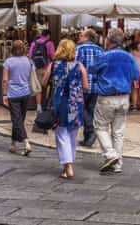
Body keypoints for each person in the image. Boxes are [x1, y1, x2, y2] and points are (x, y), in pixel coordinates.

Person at [88, 28, 139, 174]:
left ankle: (110, 154)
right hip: (124, 97)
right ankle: (117, 165)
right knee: (118, 132)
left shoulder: (105, 56)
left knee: (100, 127)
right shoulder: (129, 57)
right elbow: (136, 75)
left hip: (107, 97)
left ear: (109, 40)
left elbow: (91, 69)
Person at [49, 39, 88, 179]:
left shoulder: (53, 65)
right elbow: (86, 86)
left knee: (61, 134)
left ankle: (68, 166)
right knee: (72, 135)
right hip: (76, 104)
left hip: (59, 103)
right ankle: (68, 166)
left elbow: (44, 82)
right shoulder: (80, 66)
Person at [2, 40, 35, 156]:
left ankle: (26, 142)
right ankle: (13, 144)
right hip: (26, 93)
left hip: (13, 94)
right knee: (19, 120)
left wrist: (4, 94)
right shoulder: (29, 61)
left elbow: (5, 80)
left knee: (17, 120)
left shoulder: (8, 62)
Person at [75, 29, 103, 147]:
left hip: (82, 84)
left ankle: (90, 132)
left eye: (81, 35)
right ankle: (88, 138)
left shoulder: (79, 49)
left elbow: (75, 66)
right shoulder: (100, 50)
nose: (79, 37)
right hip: (96, 85)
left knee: (81, 109)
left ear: (86, 37)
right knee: (90, 110)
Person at [29, 29, 55, 108]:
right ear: (48, 35)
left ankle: (39, 106)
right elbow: (52, 55)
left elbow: (30, 55)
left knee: (38, 87)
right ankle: (47, 104)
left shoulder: (34, 43)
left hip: (37, 68)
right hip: (47, 68)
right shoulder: (50, 43)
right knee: (48, 85)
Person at [127, 41, 140, 112]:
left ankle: (134, 106)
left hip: (134, 73)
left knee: (134, 90)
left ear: (131, 48)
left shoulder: (130, 55)